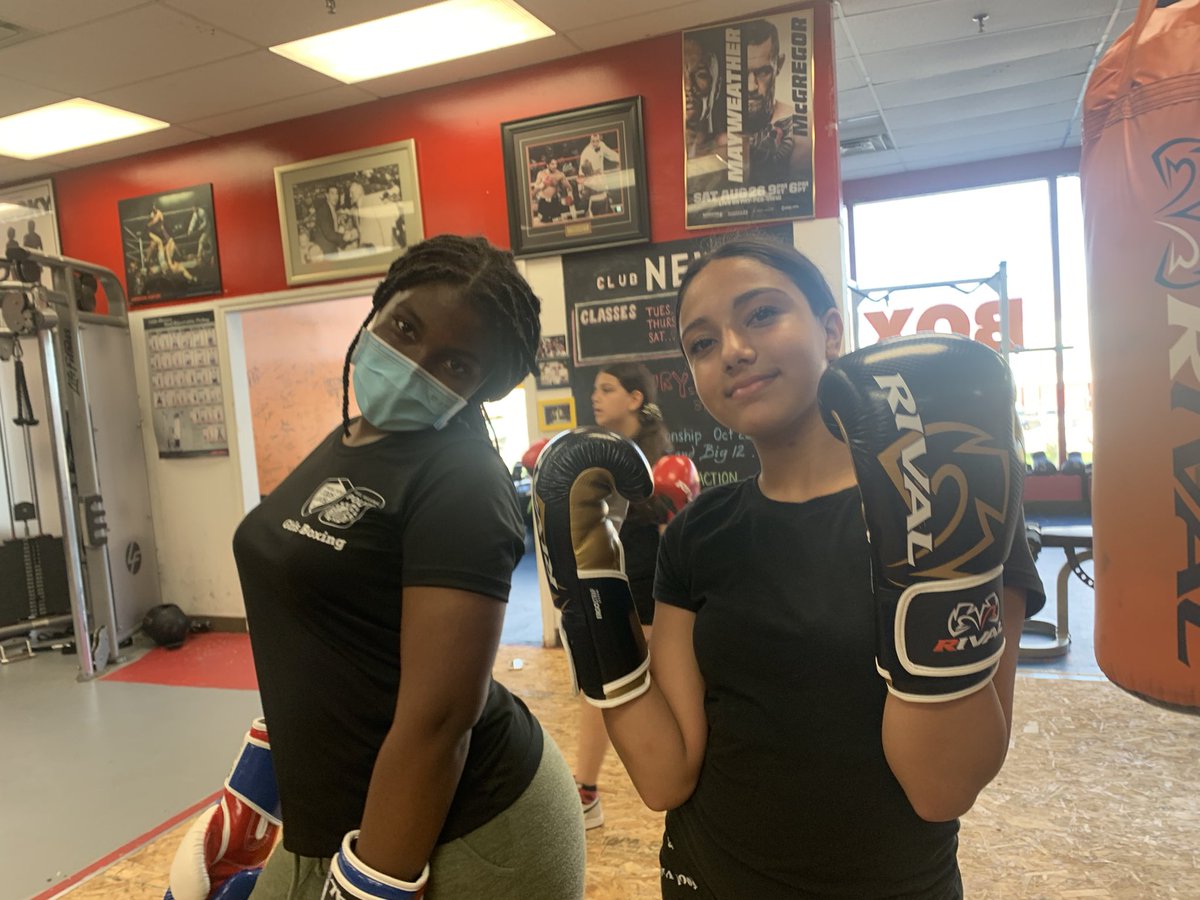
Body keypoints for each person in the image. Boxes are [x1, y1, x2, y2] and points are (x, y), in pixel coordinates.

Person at [535, 236, 1045, 898]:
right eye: (701, 343)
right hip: (708, 879)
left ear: (831, 330)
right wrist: (590, 595)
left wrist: (928, 539)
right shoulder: (698, 534)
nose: (734, 350)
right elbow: (665, 777)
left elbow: (940, 787)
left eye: (762, 315)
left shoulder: (956, 504)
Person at [231, 235, 586, 899]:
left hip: (470, 835)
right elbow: (326, 632)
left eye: (453, 363)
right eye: (403, 327)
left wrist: (372, 889)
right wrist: (256, 781)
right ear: (378, 307)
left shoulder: (461, 481)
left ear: (483, 386)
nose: (412, 363)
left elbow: (439, 723)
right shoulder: (352, 437)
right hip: (332, 815)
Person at [574, 362, 674, 828]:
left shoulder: (657, 457)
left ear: (634, 399)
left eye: (608, 389)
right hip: (604, 584)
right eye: (595, 388)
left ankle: (593, 790)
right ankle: (587, 790)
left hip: (647, 587)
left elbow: (669, 536)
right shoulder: (594, 454)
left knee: (636, 688)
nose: (596, 396)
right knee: (601, 687)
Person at [740, 19, 806, 189]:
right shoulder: (717, 131)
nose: (751, 86)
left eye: (763, 72)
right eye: (741, 73)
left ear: (779, 64)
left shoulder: (799, 128)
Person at [575, 133, 621, 217]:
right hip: (591, 182)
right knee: (594, 207)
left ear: (600, 139)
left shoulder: (602, 145)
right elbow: (581, 171)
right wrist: (580, 188)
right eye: (593, 141)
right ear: (590, 141)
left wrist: (622, 159)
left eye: (597, 141)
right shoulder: (586, 153)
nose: (595, 143)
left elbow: (611, 154)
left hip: (601, 180)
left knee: (606, 202)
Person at [531, 158, 574, 223]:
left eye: (556, 164)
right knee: (544, 223)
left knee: (556, 222)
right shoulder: (541, 174)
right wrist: (543, 184)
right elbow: (534, 191)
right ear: (547, 165)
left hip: (555, 201)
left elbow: (569, 187)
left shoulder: (560, 174)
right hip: (543, 202)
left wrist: (569, 195)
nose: (555, 166)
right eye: (552, 164)